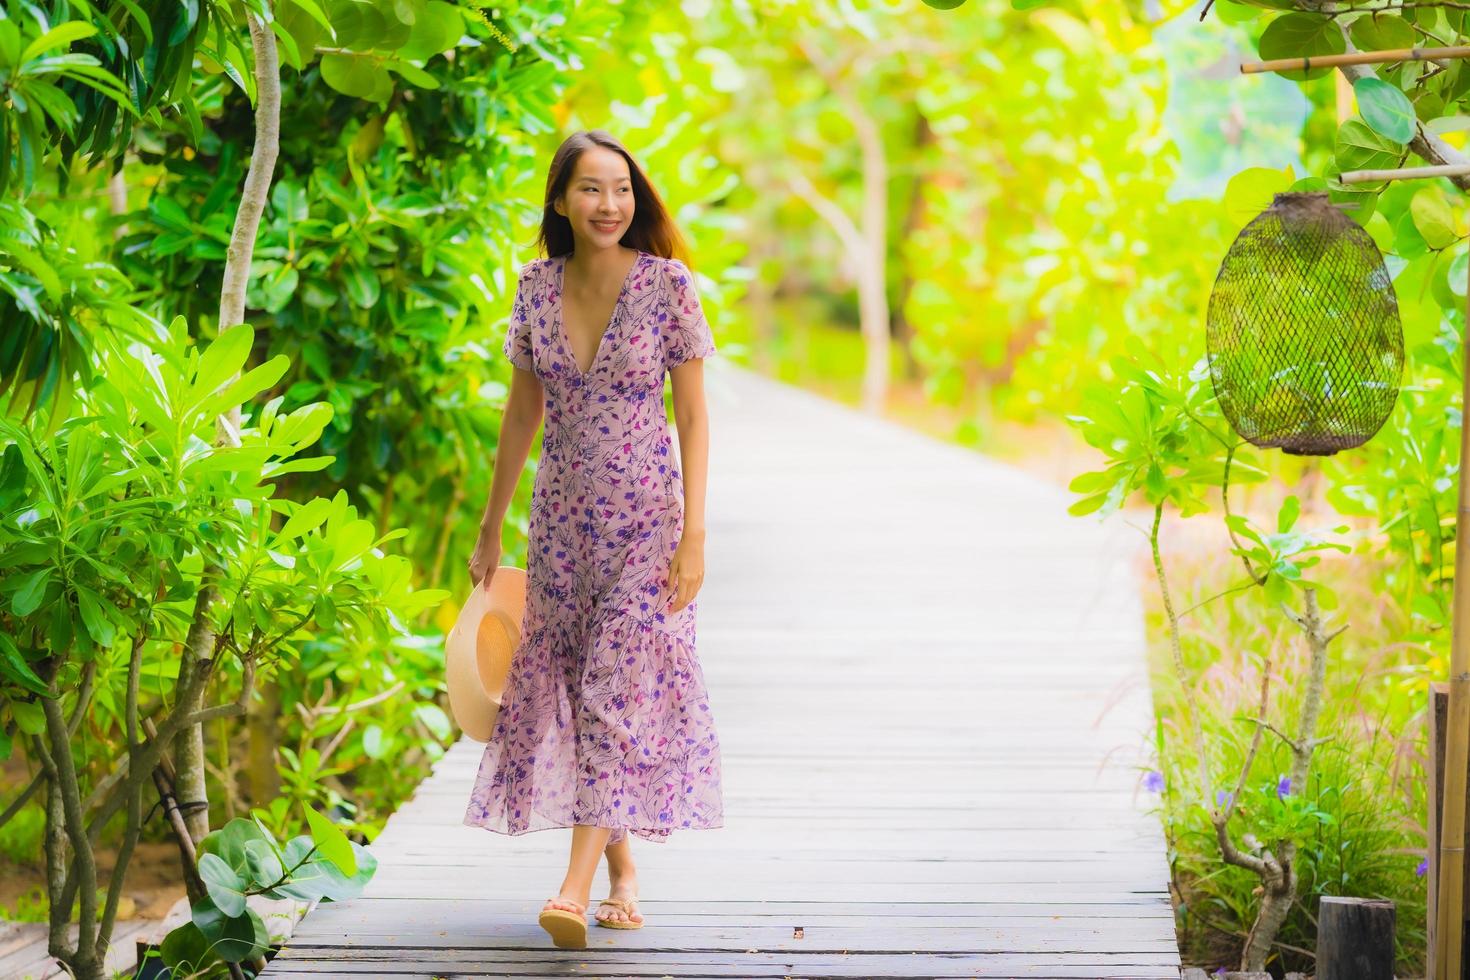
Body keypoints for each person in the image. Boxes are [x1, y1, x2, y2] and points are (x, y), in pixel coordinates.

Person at [461, 130, 724, 948]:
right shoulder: (535, 288)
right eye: (590, 190)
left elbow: (692, 416)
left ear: (635, 200)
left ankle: (570, 891)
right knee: (579, 695)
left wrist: (695, 537)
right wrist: (490, 523)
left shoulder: (667, 286)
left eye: (621, 190)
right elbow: (520, 415)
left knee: (616, 693)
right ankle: (622, 872)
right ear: (560, 200)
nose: (609, 205)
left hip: (648, 523)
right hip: (563, 525)